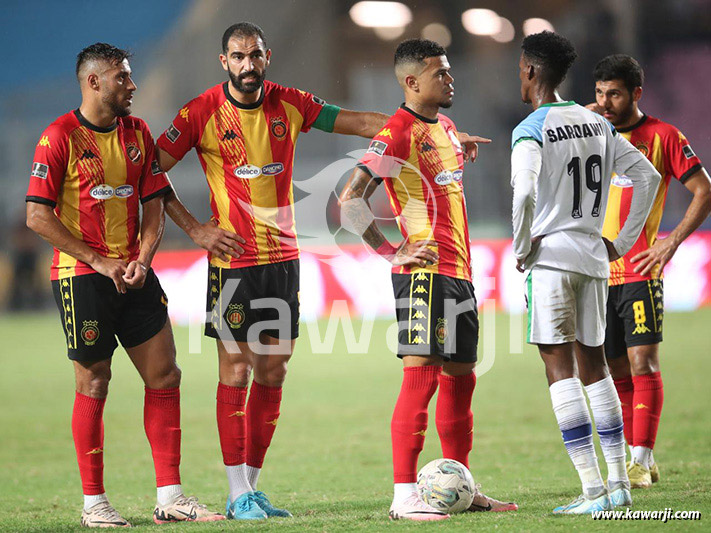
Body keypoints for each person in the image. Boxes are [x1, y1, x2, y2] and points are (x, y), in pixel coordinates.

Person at [156, 22, 390, 520]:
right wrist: (195, 229)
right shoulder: (199, 113)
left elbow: (360, 122)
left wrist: (428, 128)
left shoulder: (290, 103)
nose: (247, 65)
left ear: (268, 57)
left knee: (274, 371)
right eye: (237, 56)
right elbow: (150, 172)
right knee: (236, 372)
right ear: (224, 62)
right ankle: (235, 489)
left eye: (255, 55)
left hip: (283, 260)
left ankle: (252, 488)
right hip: (233, 264)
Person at [25, 43, 223, 527]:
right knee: (94, 381)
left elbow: (154, 197)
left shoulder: (137, 132)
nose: (131, 85)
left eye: (130, 77)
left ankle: (171, 498)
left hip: (134, 275)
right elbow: (36, 215)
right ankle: (95, 503)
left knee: (166, 376)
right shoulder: (59, 138)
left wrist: (142, 257)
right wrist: (98, 259)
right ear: (93, 82)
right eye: (122, 78)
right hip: (82, 278)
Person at [339, 37, 517, 521]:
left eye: (450, 70)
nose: (450, 78)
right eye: (440, 73)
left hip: (460, 272)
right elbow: (350, 200)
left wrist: (459, 144)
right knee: (420, 379)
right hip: (424, 276)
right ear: (412, 82)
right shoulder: (395, 133)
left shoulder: (447, 127)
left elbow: (434, 162)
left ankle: (461, 485)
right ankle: (403, 495)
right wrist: (391, 250)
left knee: (461, 381)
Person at [510, 32, 661, 514]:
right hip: (594, 259)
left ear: (531, 71)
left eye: (520, 69)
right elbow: (648, 177)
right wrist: (619, 240)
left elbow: (523, 193)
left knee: (559, 370)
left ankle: (593, 492)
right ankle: (619, 484)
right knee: (594, 368)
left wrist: (521, 246)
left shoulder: (531, 128)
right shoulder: (595, 123)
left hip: (551, 258)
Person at [588, 55, 711, 488]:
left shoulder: (662, 136)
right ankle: (639, 457)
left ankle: (640, 458)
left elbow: (704, 190)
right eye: (599, 92)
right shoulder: (591, 134)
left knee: (644, 364)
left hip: (640, 269)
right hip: (596, 274)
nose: (604, 101)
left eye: (614, 93)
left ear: (636, 93)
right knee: (614, 369)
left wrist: (671, 241)